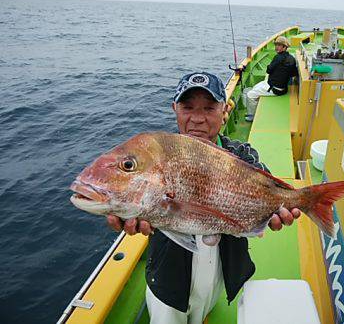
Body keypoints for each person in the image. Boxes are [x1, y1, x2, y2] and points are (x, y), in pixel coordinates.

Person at [107, 72, 301, 324]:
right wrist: (126, 212)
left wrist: (278, 209)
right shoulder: (159, 155)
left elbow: (267, 189)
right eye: (187, 107)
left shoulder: (241, 155)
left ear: (225, 110)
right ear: (174, 109)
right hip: (170, 269)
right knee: (168, 314)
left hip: (221, 260)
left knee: (207, 302)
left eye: (209, 108)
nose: (197, 119)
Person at [245, 36, 298, 122]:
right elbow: (293, 73)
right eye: (276, 45)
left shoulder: (278, 57)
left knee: (250, 95)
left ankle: (252, 116)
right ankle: (255, 106)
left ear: (285, 47)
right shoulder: (291, 58)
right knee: (255, 87)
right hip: (282, 88)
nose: (277, 47)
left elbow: (269, 70)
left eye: (279, 45)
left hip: (275, 89)